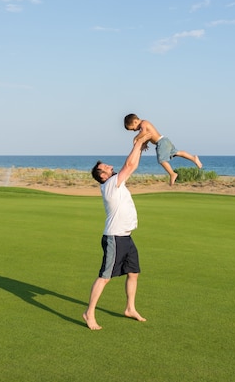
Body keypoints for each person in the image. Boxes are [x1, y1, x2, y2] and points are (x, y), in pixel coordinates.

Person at [83, 132, 151, 331]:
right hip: (114, 238)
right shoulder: (110, 184)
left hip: (126, 237)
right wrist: (138, 142)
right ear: (102, 175)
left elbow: (133, 166)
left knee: (134, 273)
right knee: (105, 277)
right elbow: (129, 166)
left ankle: (130, 308)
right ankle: (89, 313)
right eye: (105, 167)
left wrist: (140, 146)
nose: (109, 166)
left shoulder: (116, 183)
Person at [124, 113, 202, 186]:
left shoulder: (143, 123)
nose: (135, 131)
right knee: (177, 153)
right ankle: (193, 158)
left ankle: (172, 174)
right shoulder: (144, 125)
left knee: (162, 160)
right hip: (164, 140)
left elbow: (144, 132)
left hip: (161, 142)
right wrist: (146, 143)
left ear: (135, 121)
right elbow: (149, 135)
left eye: (133, 129)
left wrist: (135, 138)